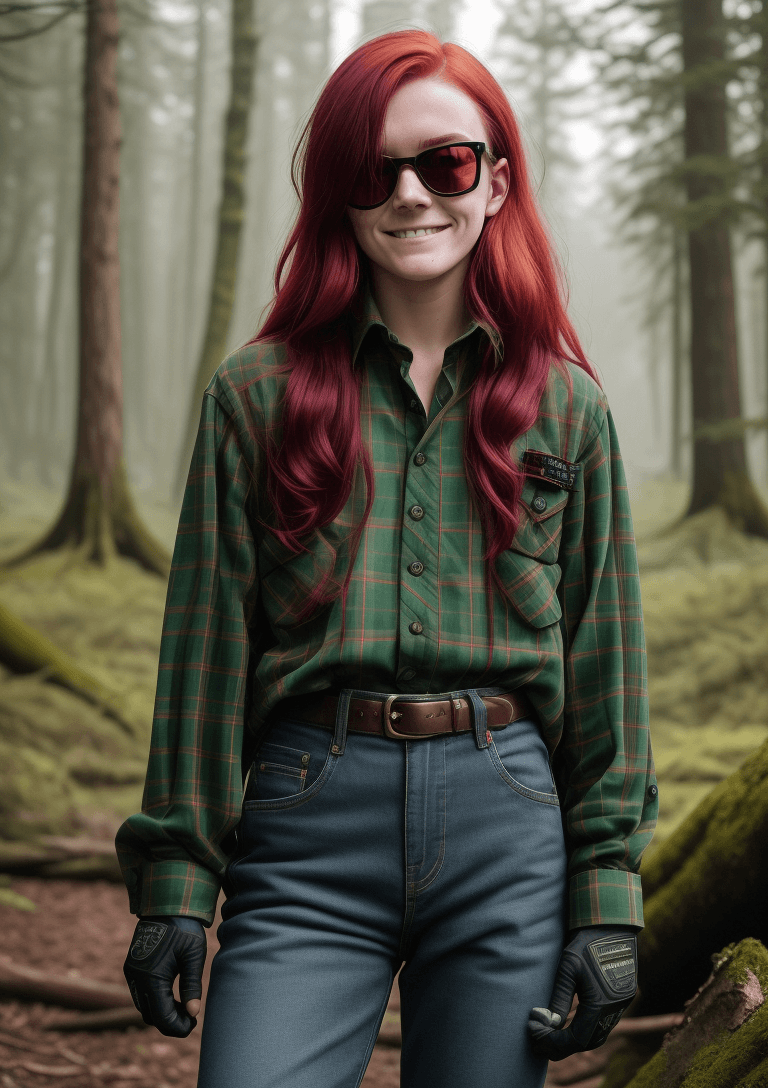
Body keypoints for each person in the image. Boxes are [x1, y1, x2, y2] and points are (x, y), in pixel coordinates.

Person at [117, 29, 658, 1088]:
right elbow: (204, 654)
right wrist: (177, 882)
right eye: (376, 169)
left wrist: (608, 903)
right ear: (342, 193)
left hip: (510, 830)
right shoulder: (254, 395)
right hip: (307, 824)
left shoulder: (569, 406)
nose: (411, 193)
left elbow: (611, 671)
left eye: (445, 163)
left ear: (496, 180)